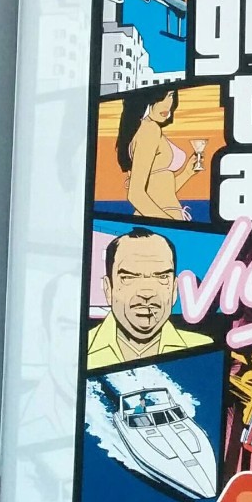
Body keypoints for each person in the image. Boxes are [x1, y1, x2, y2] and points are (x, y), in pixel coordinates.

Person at [86, 228, 212, 371]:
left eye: (162, 277)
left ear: (174, 289)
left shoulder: (203, 348)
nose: (147, 293)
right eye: (129, 277)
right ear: (108, 288)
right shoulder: (80, 349)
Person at [116, 85, 198, 220]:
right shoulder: (150, 130)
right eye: (160, 98)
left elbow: (160, 192)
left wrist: (187, 173)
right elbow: (135, 194)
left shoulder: (143, 130)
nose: (167, 103)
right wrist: (169, 225)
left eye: (171, 95)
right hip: (162, 218)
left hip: (159, 215)